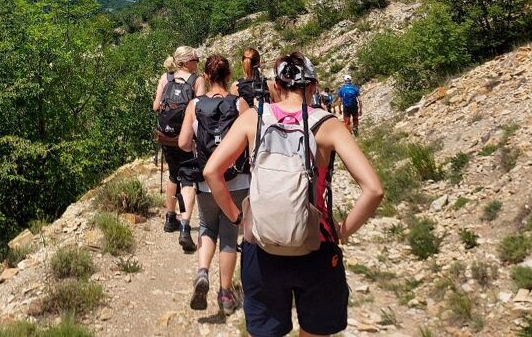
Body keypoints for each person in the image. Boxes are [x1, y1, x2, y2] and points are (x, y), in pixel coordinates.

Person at [204, 52, 384, 337]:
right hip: (316, 246)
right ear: (312, 86)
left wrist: (239, 218)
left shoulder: (253, 118)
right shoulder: (329, 125)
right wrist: (342, 231)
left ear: (276, 85)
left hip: (261, 246)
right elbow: (374, 189)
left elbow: (212, 172)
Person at [179, 54, 248, 315]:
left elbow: (185, 142)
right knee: (230, 236)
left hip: (208, 180)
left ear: (206, 77)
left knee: (207, 227)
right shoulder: (240, 104)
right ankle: (225, 294)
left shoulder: (194, 105)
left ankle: (202, 272)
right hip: (238, 179)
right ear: (228, 75)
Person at [153, 46, 205, 252]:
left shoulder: (166, 78)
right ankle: (185, 227)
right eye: (195, 59)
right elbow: (199, 110)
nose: (197, 62)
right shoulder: (196, 81)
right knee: (189, 180)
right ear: (185, 62)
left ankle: (169, 218)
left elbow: (156, 106)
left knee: (174, 176)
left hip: (166, 137)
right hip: (186, 139)